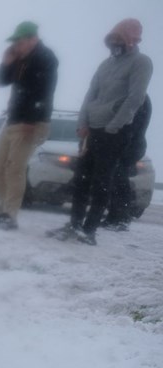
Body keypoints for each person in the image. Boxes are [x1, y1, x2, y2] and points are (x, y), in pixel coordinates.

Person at [48, 18, 153, 245]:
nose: (114, 44)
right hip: (92, 130)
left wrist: (114, 126)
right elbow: (90, 94)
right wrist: (82, 124)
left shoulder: (141, 63)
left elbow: (135, 98)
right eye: (111, 40)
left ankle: (89, 230)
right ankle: (74, 225)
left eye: (119, 40)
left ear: (130, 40)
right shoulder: (105, 65)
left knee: (101, 182)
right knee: (81, 179)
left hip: (114, 132)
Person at [0, 21, 58, 231]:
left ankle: (9, 216)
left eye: (19, 41)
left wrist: (32, 120)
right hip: (13, 120)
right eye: (14, 42)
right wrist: (6, 62)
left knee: (14, 168)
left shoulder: (45, 58)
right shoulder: (20, 58)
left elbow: (44, 92)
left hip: (31, 123)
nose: (16, 45)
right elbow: (1, 81)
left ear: (32, 39)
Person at [102, 96, 152, 230]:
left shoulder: (137, 97)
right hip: (130, 143)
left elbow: (131, 125)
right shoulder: (137, 97)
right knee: (117, 178)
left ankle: (120, 217)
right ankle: (116, 216)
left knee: (118, 178)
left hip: (130, 144)